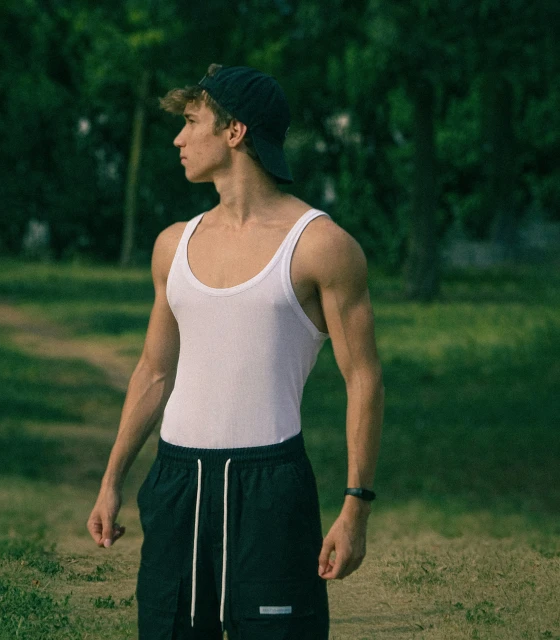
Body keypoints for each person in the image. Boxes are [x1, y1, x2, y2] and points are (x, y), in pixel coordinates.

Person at [87, 63, 385, 640]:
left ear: (234, 132)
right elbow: (153, 372)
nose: (177, 138)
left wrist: (356, 508)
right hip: (175, 484)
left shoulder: (320, 246)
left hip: (271, 489)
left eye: (191, 121)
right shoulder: (172, 245)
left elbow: (364, 379)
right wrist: (111, 478)